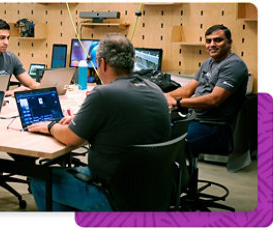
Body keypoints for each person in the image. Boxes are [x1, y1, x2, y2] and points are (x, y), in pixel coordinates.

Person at [27, 33, 171, 211]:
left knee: (41, 181)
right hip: (150, 188)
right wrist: (85, 120)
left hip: (112, 192)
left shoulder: (103, 94)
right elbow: (122, 123)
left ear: (102, 63)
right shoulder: (155, 89)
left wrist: (50, 126)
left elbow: (71, 138)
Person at [164, 24, 248, 155]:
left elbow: (214, 100)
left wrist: (177, 102)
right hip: (193, 119)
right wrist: (163, 96)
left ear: (229, 43)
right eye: (208, 41)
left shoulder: (234, 65)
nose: (212, 44)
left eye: (218, 40)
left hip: (214, 127)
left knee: (165, 145)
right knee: (154, 134)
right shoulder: (208, 62)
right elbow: (187, 90)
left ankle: (181, 174)